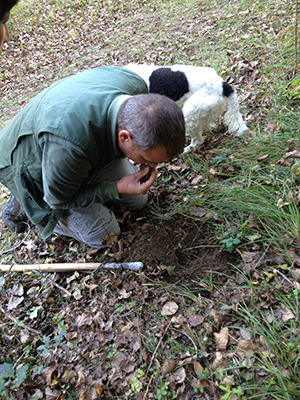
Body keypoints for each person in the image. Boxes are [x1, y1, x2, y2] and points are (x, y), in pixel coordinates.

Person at [0, 66, 186, 248]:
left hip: (79, 148)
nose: (152, 165)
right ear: (124, 137)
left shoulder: (136, 89)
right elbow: (59, 200)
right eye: (148, 157)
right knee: (105, 234)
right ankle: (23, 199)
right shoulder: (70, 145)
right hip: (29, 160)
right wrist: (116, 187)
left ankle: (73, 177)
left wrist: (117, 187)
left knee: (138, 200)